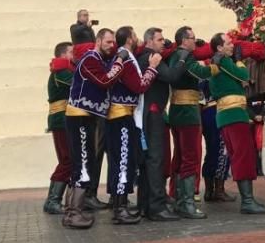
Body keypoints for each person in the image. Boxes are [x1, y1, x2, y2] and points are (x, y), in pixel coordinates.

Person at [62, 27, 129, 230]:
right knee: (83, 165)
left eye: (113, 43)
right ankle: (74, 213)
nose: (112, 45)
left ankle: (71, 211)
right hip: (79, 118)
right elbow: (105, 80)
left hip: (87, 118)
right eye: (108, 42)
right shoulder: (91, 59)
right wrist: (119, 62)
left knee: (83, 163)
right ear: (98, 41)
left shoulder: (98, 60)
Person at [208, 32, 265, 214]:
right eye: (228, 43)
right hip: (233, 115)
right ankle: (247, 201)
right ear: (219, 47)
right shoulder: (223, 62)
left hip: (229, 115)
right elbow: (243, 75)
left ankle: (248, 199)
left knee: (240, 155)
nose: (232, 45)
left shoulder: (219, 63)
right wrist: (240, 60)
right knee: (243, 155)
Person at [106, 26, 161, 225]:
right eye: (135, 35)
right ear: (129, 38)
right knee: (123, 162)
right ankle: (120, 209)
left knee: (122, 162)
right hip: (121, 117)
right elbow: (139, 86)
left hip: (120, 116)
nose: (137, 38)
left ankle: (118, 204)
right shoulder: (126, 59)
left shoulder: (124, 57)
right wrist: (153, 67)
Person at [136, 27, 187, 222]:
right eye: (159, 40)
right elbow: (171, 76)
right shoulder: (151, 58)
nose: (162, 43)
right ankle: (157, 206)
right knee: (155, 159)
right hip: (153, 114)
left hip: (148, 113)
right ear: (149, 41)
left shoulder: (146, 57)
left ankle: (145, 205)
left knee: (149, 160)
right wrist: (182, 58)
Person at [168, 26, 217, 219]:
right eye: (192, 38)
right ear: (183, 40)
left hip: (176, 110)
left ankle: (179, 198)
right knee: (191, 156)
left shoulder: (174, 55)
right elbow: (201, 73)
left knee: (180, 156)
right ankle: (187, 203)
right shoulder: (185, 56)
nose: (195, 42)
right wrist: (215, 64)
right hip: (188, 112)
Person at [44, 42, 73, 215]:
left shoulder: (64, 69)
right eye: (70, 52)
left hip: (64, 119)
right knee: (67, 160)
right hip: (61, 119)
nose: (73, 55)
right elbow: (77, 84)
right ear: (62, 54)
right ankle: (52, 201)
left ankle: (53, 199)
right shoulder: (61, 70)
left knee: (67, 160)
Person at [201, 80, 233, 202]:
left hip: (205, 113)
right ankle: (219, 190)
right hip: (217, 111)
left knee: (211, 152)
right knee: (223, 151)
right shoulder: (216, 71)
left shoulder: (200, 71)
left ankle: (209, 190)